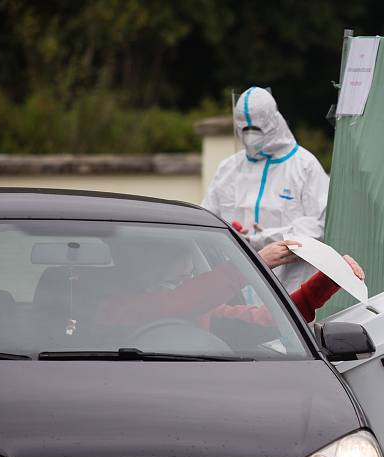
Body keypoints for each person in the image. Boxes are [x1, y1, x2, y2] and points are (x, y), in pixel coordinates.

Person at [202, 86, 330, 293]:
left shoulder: (304, 165)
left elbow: (319, 226)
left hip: (288, 289)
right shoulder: (229, 168)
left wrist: (262, 240)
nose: (250, 136)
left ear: (272, 121)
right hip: (236, 289)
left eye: (257, 129)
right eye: (245, 129)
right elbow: (207, 220)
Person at [99, 239, 363, 327]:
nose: (187, 280)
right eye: (177, 278)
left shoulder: (206, 311)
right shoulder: (111, 308)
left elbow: (271, 321)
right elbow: (174, 305)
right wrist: (253, 265)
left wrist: (329, 279)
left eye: (189, 277)